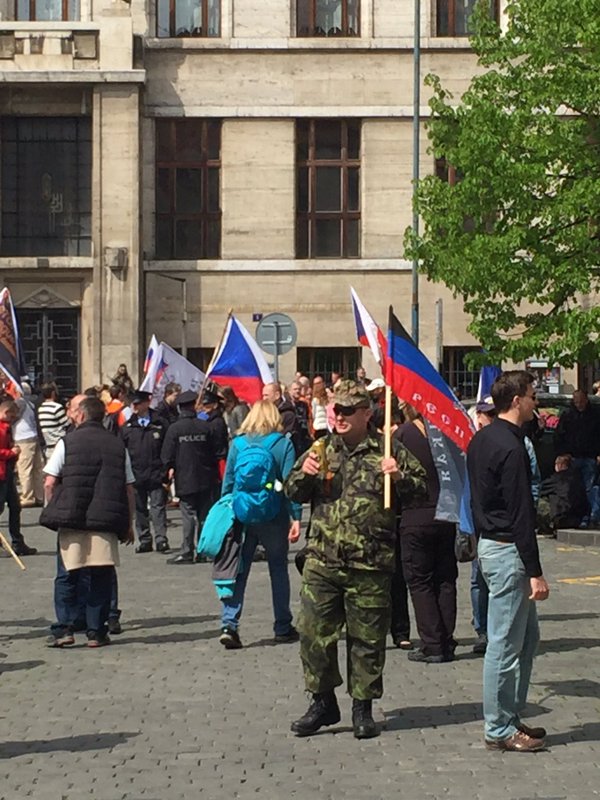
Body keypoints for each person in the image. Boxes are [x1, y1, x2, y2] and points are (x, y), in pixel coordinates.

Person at [285, 380, 427, 740]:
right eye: (336, 410)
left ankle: (362, 706)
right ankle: (322, 701)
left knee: (367, 640)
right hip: (322, 559)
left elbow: (422, 490)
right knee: (313, 633)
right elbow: (290, 489)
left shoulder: (387, 450)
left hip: (370, 561)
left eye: (348, 410)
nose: (340, 416)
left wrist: (399, 476)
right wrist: (305, 475)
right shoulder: (321, 448)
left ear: (367, 413)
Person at [468, 370, 550, 752]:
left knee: (528, 638)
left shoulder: (482, 438)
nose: (536, 402)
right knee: (504, 642)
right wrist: (535, 571)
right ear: (516, 400)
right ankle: (498, 726)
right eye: (533, 396)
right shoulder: (510, 447)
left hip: (491, 543)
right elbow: (521, 513)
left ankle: (510, 713)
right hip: (507, 549)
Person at [41, 396, 135, 648]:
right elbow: (128, 488)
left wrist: (52, 508)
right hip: (105, 520)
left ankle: (65, 629)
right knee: (101, 575)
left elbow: (49, 481)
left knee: (67, 575)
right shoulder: (117, 445)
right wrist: (129, 523)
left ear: (81, 415)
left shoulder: (67, 442)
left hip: (72, 518)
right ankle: (96, 631)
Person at [218, 400, 302, 649]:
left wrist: (226, 511)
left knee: (238, 570)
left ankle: (229, 624)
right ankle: (282, 625)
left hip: (242, 514)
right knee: (278, 569)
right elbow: (290, 484)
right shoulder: (282, 443)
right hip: (273, 515)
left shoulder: (237, 444)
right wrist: (295, 517)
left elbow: (229, 482)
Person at [394, 405, 458, 663]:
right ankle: (446, 639)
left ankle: (432, 643)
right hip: (445, 514)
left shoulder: (403, 435)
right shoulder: (447, 435)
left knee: (419, 581)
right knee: (444, 579)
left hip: (415, 515)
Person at [161, 390, 223, 564]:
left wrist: (165, 478)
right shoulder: (206, 427)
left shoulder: (175, 429)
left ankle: (187, 551)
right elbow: (217, 451)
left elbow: (166, 456)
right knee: (204, 515)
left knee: (188, 515)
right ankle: (204, 550)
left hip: (185, 478)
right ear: (194, 407)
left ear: (180, 408)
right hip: (206, 477)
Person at [121, 390, 170, 554]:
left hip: (156, 472)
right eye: (132, 404)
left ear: (146, 403)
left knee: (158, 507)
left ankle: (161, 539)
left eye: (137, 403)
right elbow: (123, 451)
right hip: (136, 474)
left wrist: (167, 469)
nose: (133, 407)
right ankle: (145, 539)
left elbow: (167, 448)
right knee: (140, 508)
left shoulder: (160, 423)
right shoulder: (127, 427)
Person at [554, 389, 600, 526]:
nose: (579, 404)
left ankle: (589, 516)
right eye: (576, 402)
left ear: (586, 400)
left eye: (581, 401)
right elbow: (559, 436)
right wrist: (562, 453)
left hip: (590, 456)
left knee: (588, 487)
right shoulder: (568, 415)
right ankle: (576, 515)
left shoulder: (595, 415)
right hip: (572, 456)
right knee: (572, 488)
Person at [0, 399, 37, 556]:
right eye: (13, 416)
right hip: (1, 472)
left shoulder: (7, 428)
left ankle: (17, 542)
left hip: (7, 472)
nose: (14, 419)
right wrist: (12, 453)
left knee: (15, 506)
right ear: (6, 413)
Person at [537, 454, 589, 534]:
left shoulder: (557, 478)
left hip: (561, 517)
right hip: (577, 518)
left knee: (537, 502)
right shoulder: (579, 479)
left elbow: (539, 490)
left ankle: (546, 527)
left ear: (559, 465)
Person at [13, 383, 44, 507]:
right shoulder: (31, 403)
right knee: (37, 469)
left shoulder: (20, 402)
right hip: (33, 436)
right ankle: (39, 495)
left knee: (25, 469)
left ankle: (27, 497)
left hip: (23, 438)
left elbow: (13, 417)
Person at [37, 382, 69, 458]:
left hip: (49, 444)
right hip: (59, 443)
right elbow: (67, 424)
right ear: (53, 393)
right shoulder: (57, 407)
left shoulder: (41, 408)